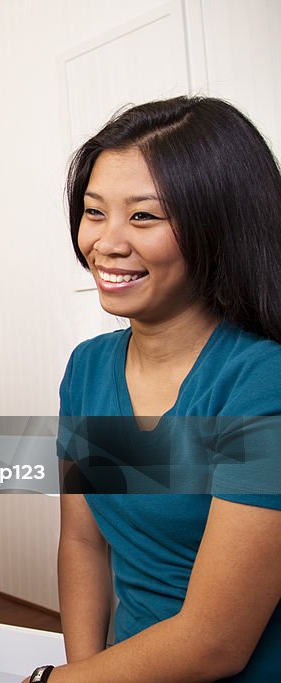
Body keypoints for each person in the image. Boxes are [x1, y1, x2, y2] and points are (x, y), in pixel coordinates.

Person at [26, 97, 281, 683]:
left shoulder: (261, 382)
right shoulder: (87, 368)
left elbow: (215, 642)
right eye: (94, 212)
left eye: (144, 217)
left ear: (220, 224)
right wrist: (83, 673)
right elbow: (84, 545)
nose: (107, 243)